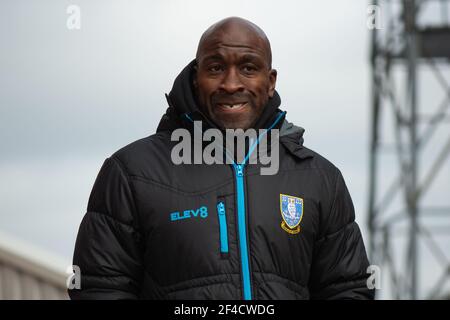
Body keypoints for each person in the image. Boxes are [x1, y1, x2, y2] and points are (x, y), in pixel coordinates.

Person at [69, 17, 374, 300]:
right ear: (194, 78)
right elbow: (99, 288)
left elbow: (347, 288)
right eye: (215, 68)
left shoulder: (319, 178)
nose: (231, 84)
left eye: (248, 68)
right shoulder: (130, 172)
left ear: (270, 82)